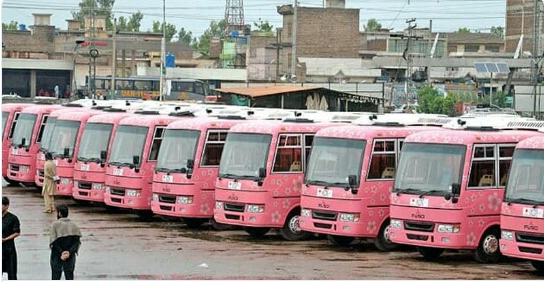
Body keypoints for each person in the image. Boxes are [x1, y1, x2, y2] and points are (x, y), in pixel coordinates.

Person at [49, 204, 81, 280]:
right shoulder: (74, 225)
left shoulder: (55, 225)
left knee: (56, 276)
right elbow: (76, 242)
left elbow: (53, 241)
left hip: (57, 255)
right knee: (69, 276)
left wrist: (62, 252)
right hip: (70, 256)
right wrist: (69, 252)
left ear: (59, 213)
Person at [2, 197, 20, 280]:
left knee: (11, 273)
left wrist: (5, 239)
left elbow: (17, 233)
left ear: (6, 206)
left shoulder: (13, 218)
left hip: (9, 249)